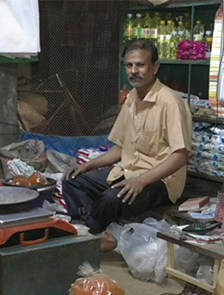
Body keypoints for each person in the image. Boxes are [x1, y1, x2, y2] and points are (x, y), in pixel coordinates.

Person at [62, 39, 192, 252]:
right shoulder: (132, 98)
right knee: (73, 180)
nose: (134, 71)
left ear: (155, 67)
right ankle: (97, 232)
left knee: (110, 199)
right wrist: (88, 166)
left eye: (140, 65)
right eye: (129, 65)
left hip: (159, 180)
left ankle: (91, 234)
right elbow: (121, 148)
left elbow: (180, 156)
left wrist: (141, 181)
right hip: (128, 171)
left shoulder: (170, 102)